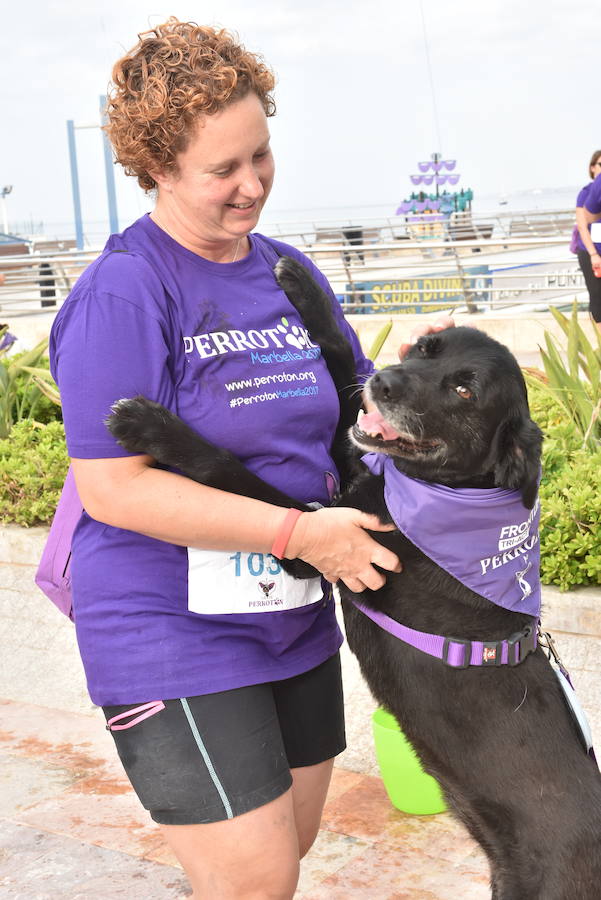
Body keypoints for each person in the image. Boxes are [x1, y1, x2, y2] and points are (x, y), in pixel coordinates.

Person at [49, 18, 453, 899]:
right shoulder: (124, 292)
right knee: (253, 880)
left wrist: (424, 375)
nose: (251, 185)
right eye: (220, 171)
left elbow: (346, 413)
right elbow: (114, 489)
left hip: (288, 609)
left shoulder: (283, 270)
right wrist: (297, 533)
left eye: (259, 156)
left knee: (289, 848)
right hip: (170, 623)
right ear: (157, 168)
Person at [574, 149, 601, 334]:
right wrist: (593, 255)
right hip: (591, 251)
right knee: (598, 295)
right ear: (592, 168)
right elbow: (583, 227)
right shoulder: (585, 193)